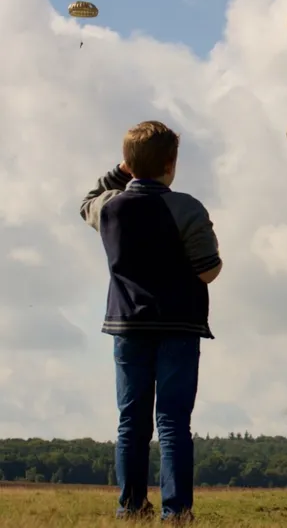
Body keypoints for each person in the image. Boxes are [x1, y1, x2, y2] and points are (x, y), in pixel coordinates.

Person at [80, 121, 222, 522]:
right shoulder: (188, 208)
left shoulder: (109, 205)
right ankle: (176, 512)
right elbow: (208, 270)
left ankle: (131, 506)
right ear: (171, 164)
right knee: (174, 422)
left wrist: (120, 172)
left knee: (132, 421)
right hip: (179, 325)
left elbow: (85, 200)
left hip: (127, 325)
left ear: (128, 163)